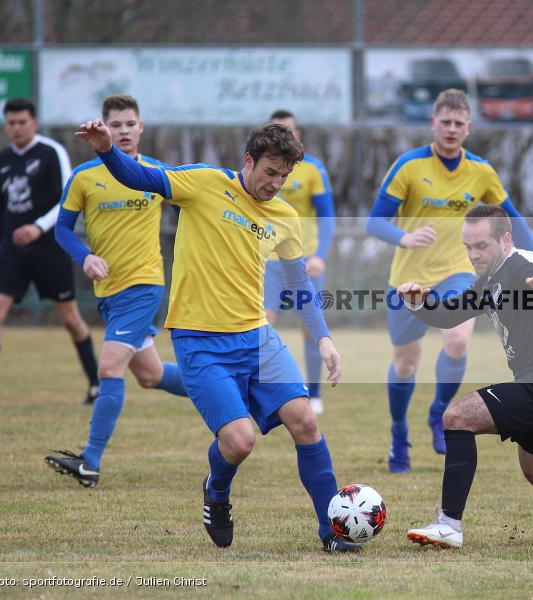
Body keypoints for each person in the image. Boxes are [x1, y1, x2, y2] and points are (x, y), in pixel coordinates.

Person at [74, 119, 358, 553]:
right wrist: (107, 150)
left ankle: (332, 532)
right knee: (239, 441)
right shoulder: (204, 184)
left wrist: (323, 338)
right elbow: (140, 176)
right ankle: (217, 491)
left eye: (284, 176)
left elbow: (299, 283)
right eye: (270, 173)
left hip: (257, 337)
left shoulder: (284, 216)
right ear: (249, 160)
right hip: (200, 342)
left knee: (305, 420)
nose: (276, 184)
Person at [398, 205, 533, 548]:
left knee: (457, 416)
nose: (473, 254)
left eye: (481, 246)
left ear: (505, 238)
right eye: (468, 247)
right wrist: (417, 303)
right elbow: (448, 314)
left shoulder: (525, 265)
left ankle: (449, 525)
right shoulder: (490, 280)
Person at [366, 88, 533, 472]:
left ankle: (439, 414)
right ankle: (398, 434)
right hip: (408, 279)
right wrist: (405, 237)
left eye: (459, 123)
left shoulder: (481, 171)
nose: (451, 129)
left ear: (468, 128)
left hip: (459, 273)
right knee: (406, 364)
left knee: (458, 339)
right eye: (444, 122)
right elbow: (373, 221)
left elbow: (512, 220)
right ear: (433, 124)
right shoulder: (409, 166)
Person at [44, 95, 189, 488]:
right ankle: (225, 387)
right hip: (109, 292)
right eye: (116, 125)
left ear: (141, 127)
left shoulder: (157, 174)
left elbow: (193, 212)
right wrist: (85, 256)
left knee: (108, 368)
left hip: (144, 287)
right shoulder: (85, 176)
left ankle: (89, 461)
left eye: (130, 123)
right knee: (151, 375)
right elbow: (61, 229)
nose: (123, 130)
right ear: (105, 129)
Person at [0, 98, 99, 409]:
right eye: (11, 123)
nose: (16, 128)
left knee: (70, 318)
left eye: (22, 122)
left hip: (49, 246)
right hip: (11, 249)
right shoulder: (2, 158)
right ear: (5, 125)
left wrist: (37, 226)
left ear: (34, 122)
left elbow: (67, 199)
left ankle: (96, 383)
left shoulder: (51, 152)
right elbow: (2, 209)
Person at [263, 109, 335, 415]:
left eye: (289, 131)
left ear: (298, 135)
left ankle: (315, 393)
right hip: (267, 259)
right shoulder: (260, 168)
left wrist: (320, 256)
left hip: (303, 260)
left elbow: (327, 216)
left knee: (310, 325)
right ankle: (264, 387)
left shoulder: (313, 169)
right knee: (262, 324)